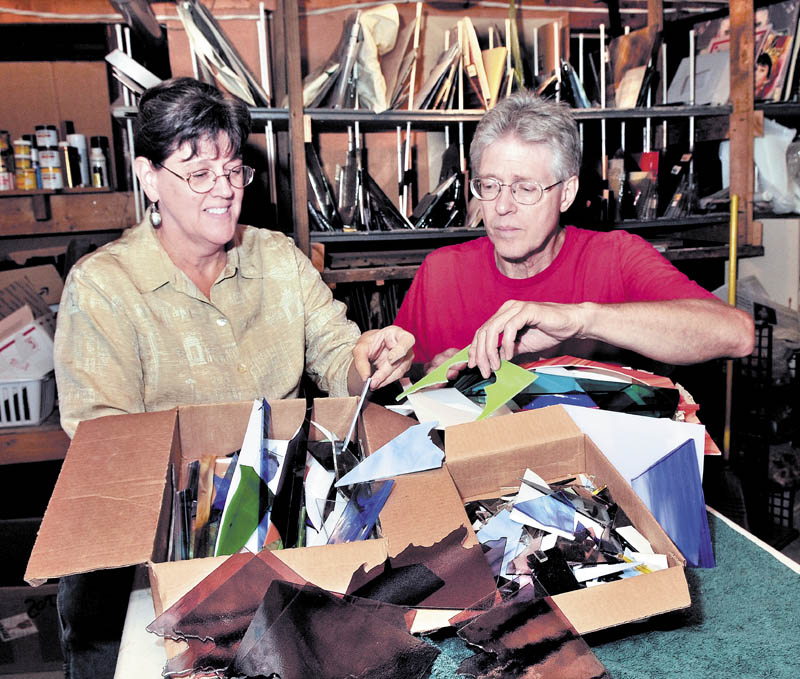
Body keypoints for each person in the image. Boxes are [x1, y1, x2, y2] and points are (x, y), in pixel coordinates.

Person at [53, 77, 414, 679]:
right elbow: (105, 442)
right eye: (198, 173)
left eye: (232, 169)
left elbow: (336, 353)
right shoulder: (103, 287)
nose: (223, 190)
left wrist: (368, 357)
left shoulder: (276, 258)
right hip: (153, 553)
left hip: (278, 531)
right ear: (148, 176)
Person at [394, 91, 754, 380]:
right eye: (489, 185)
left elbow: (736, 334)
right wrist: (429, 375)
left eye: (525, 188)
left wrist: (582, 321)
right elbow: (396, 381)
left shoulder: (616, 256)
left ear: (566, 193)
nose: (502, 206)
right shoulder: (441, 272)